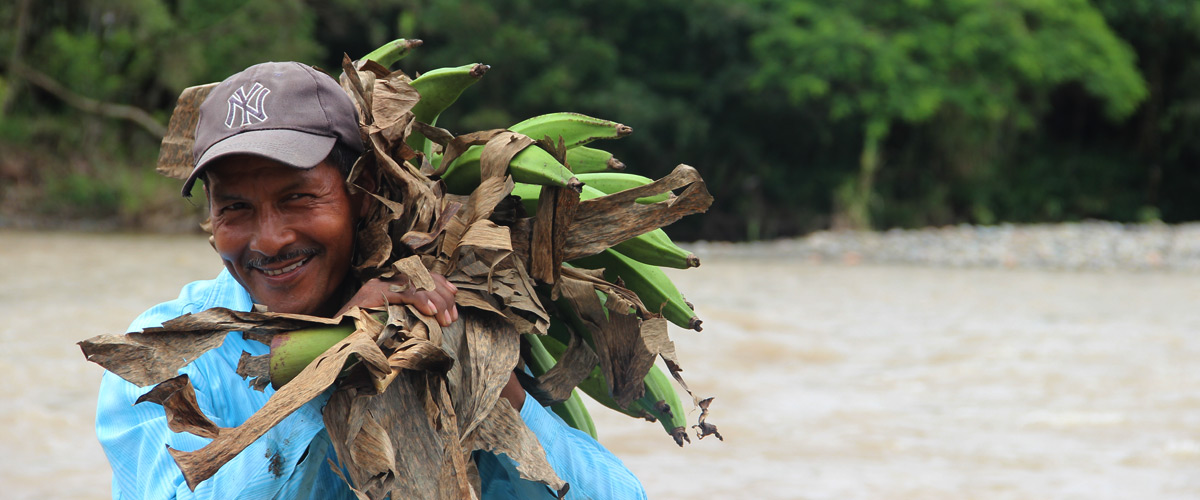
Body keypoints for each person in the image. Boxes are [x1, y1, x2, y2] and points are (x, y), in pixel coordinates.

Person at [95, 61, 647, 499]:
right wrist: (335, 363)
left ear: (360, 195)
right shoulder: (162, 356)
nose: (268, 240)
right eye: (235, 208)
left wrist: (500, 396)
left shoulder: (442, 326)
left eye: (299, 198)